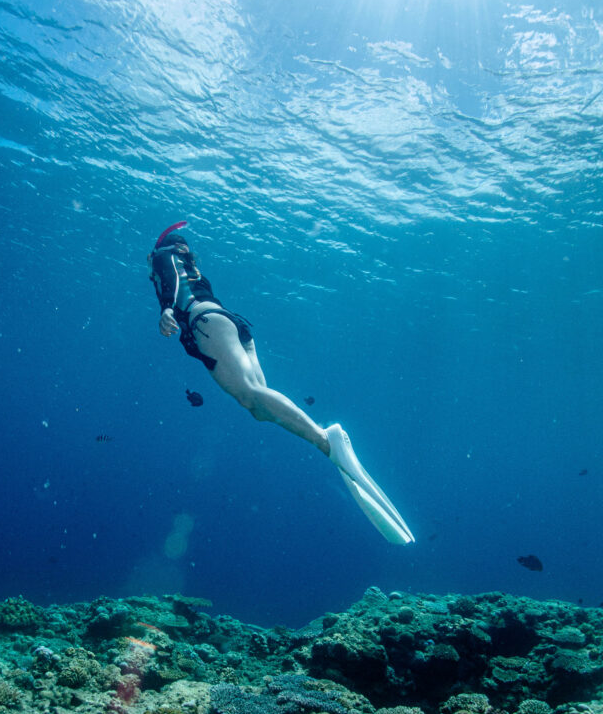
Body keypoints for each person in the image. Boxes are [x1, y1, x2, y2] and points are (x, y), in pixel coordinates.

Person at [148, 221, 414, 544]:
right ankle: (326, 440)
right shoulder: (191, 265)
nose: (151, 270)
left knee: (252, 397)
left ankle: (326, 441)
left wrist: (165, 309)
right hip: (228, 324)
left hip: (204, 323)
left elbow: (172, 283)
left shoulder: (165, 256)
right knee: (259, 408)